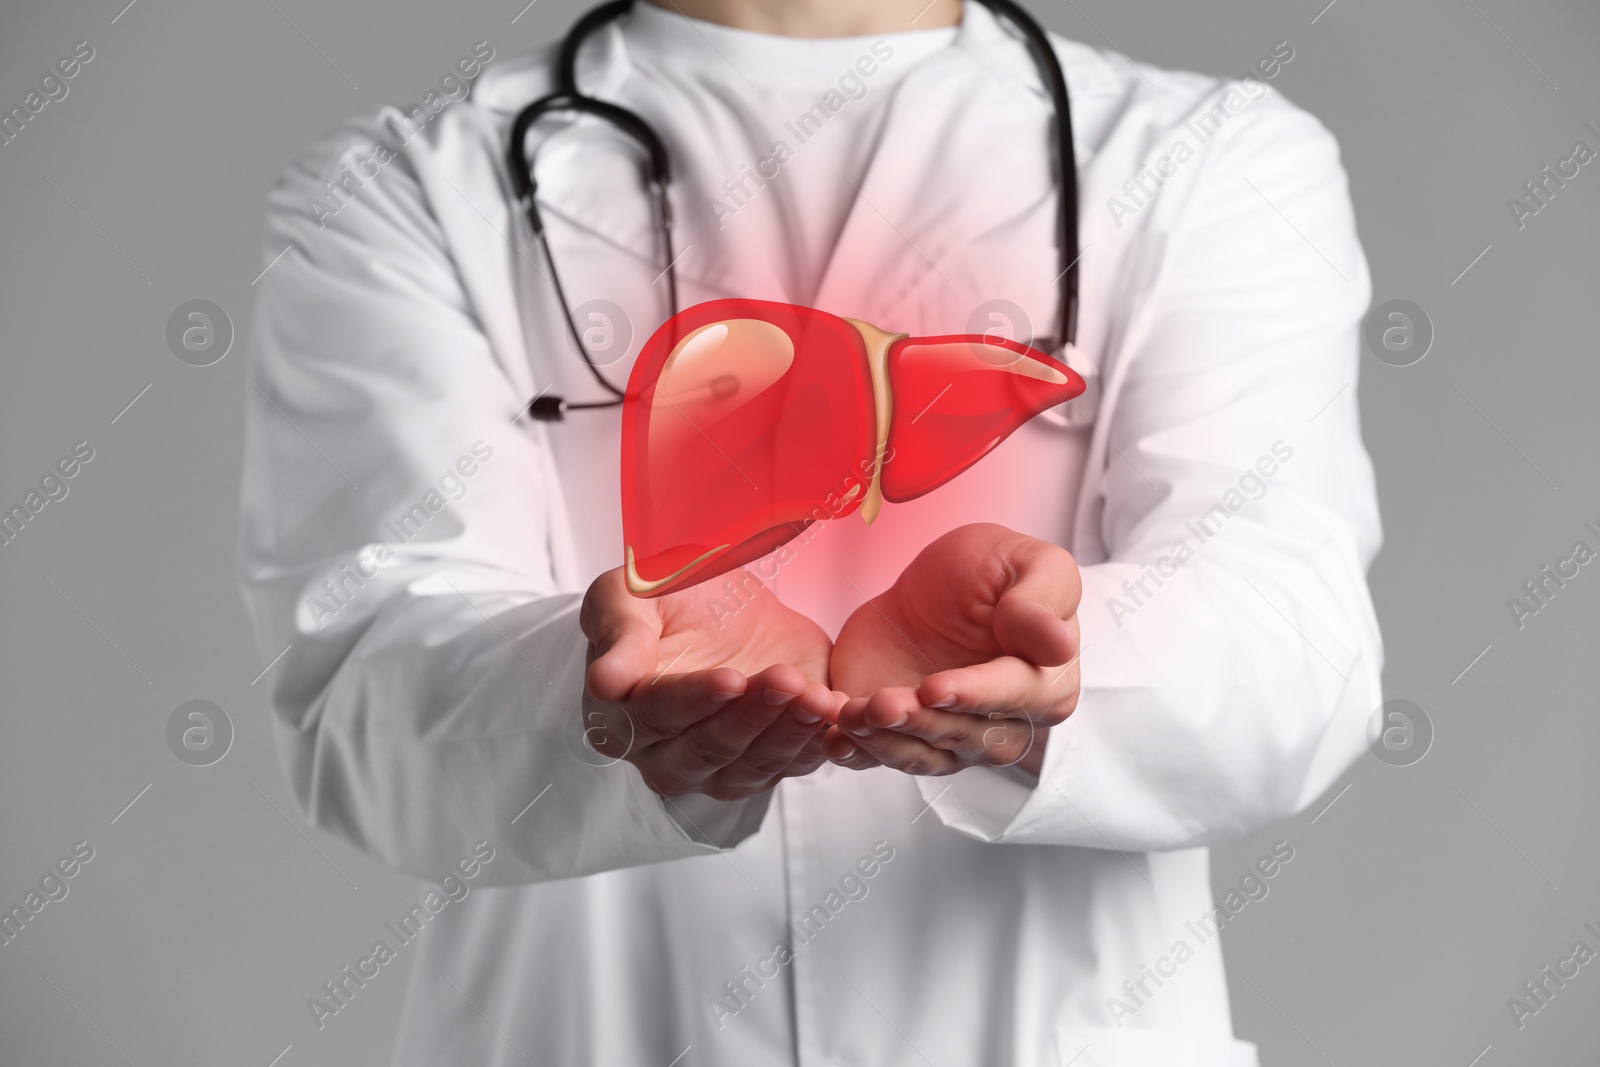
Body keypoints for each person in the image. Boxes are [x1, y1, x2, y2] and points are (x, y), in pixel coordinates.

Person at [238, 0, 1382, 1063]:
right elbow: (361, 701)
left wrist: (1060, 666)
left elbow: (1295, 650)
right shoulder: (410, 191)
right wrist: (606, 696)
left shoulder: (1206, 158)